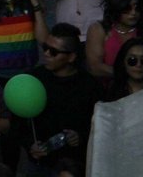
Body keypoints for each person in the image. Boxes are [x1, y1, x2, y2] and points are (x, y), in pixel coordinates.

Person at [23, 24, 103, 169]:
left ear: (71, 57)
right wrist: (30, 144)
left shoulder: (89, 86)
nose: (46, 54)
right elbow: (19, 122)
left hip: (76, 164)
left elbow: (100, 126)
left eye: (53, 51)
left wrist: (81, 137)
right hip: (41, 163)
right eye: (45, 48)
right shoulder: (35, 79)